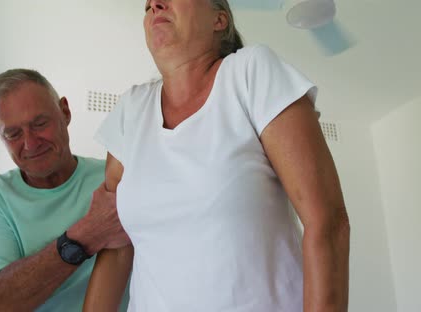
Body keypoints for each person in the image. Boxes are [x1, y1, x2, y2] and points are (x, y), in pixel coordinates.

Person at [85, 0, 350, 311]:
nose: (154, 5)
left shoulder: (251, 72)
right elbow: (115, 243)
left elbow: (327, 222)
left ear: (219, 20)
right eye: (147, 5)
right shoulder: (130, 110)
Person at [0, 69, 131, 312]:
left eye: (39, 124)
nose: (30, 143)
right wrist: (89, 233)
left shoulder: (116, 178)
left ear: (65, 111)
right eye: (13, 134)